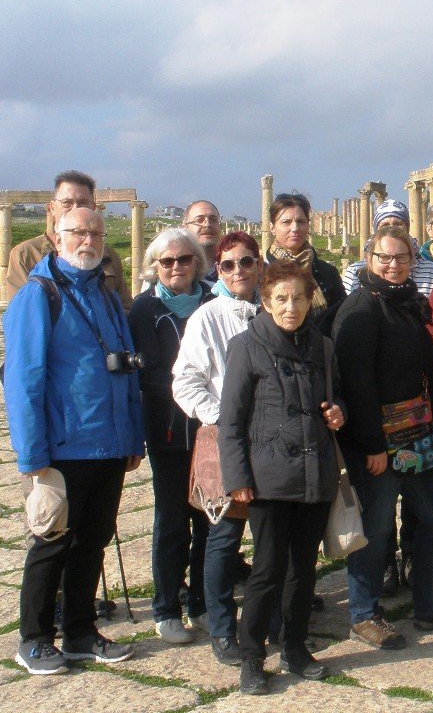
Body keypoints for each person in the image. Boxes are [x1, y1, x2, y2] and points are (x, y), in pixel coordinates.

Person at [3, 206, 143, 675]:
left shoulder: (104, 293)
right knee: (51, 543)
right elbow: (24, 381)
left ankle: (81, 630)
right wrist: (32, 456)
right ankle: (35, 637)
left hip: (107, 443)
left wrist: (132, 439)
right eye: (78, 232)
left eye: (96, 233)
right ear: (56, 237)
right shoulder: (38, 295)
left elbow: (124, 369)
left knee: (93, 542)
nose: (88, 241)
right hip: (63, 447)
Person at [333, 227, 433, 651]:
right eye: (385, 257)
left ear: (414, 259)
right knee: (375, 528)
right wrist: (373, 445)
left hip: (417, 435)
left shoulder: (409, 301)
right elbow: (356, 383)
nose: (393, 265)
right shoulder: (359, 308)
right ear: (368, 257)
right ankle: (364, 614)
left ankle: (430, 604)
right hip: (377, 442)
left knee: (430, 517)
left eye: (402, 257)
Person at [219, 260, 345, 694]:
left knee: (303, 570)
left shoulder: (323, 347)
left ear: (311, 300)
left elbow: (336, 396)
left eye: (298, 298)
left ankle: (294, 647)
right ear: (266, 301)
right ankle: (252, 656)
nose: (290, 307)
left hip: (314, 472)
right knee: (268, 569)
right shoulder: (246, 346)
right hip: (268, 476)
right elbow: (231, 421)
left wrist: (337, 411)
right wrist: (237, 477)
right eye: (281, 299)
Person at [171, 231, 263, 667]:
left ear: (259, 264)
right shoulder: (206, 317)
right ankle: (223, 630)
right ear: (217, 269)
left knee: (269, 537)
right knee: (223, 538)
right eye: (228, 265)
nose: (239, 271)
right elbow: (185, 381)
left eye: (247, 262)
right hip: (226, 440)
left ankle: (266, 625)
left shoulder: (273, 307)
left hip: (269, 441)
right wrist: (224, 418)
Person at [128, 229, 214, 644]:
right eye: (167, 262)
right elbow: (146, 374)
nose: (176, 267)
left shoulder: (215, 300)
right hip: (167, 428)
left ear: (197, 261)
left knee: (210, 519)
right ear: (154, 267)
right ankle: (166, 607)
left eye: (184, 259)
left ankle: (202, 602)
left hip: (211, 428)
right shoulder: (144, 309)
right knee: (172, 520)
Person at [4, 170, 132, 308]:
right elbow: (23, 315)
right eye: (67, 203)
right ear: (52, 208)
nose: (75, 209)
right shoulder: (26, 255)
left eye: (83, 203)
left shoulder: (107, 256)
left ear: (93, 208)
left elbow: (125, 309)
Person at [262, 192, 346, 337]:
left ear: (308, 225)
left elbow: (342, 318)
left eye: (301, 221)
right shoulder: (261, 272)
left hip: (321, 353)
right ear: (272, 227)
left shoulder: (328, 273)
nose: (295, 228)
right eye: (286, 222)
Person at [342, 199, 433, 296]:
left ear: (407, 228)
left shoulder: (432, 271)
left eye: (398, 224)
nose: (392, 228)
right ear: (376, 230)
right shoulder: (355, 272)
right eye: (385, 225)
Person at [183, 201, 223, 280]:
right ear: (185, 227)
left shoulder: (233, 267)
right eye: (199, 220)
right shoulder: (175, 267)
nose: (207, 224)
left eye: (213, 219)